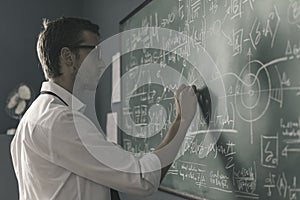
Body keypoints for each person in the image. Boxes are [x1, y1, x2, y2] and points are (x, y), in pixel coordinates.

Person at [10, 17, 198, 200]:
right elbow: (142, 179)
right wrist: (181, 121)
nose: (101, 63)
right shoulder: (60, 121)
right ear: (68, 57)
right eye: (95, 53)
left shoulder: (32, 118)